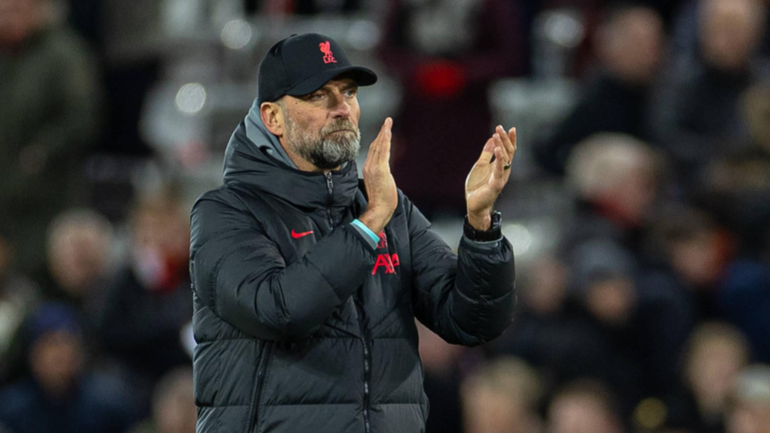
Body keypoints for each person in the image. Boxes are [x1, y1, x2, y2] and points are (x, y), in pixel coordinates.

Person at [189, 33, 517, 433]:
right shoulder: (227, 212)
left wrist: (480, 226)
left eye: (348, 93)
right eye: (318, 96)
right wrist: (368, 224)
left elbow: (471, 321)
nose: (342, 108)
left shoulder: (387, 209)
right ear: (273, 117)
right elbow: (279, 310)